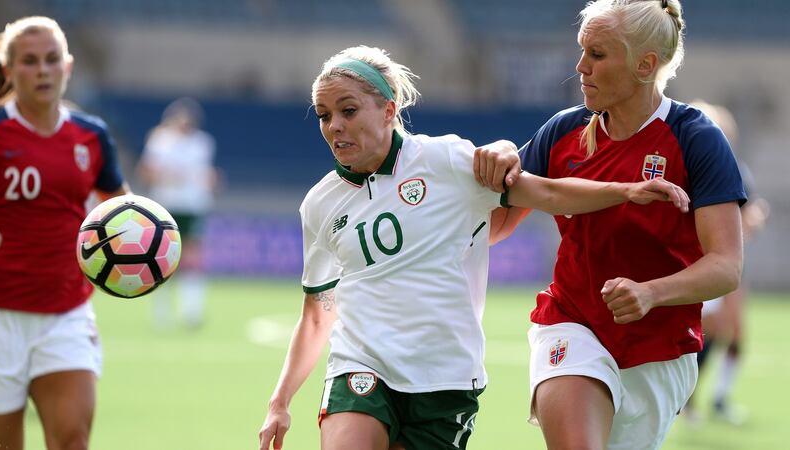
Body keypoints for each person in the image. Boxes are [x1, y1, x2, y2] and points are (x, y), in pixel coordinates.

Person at [257, 45, 690, 450]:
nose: (334, 126)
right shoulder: (319, 203)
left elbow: (551, 194)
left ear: (389, 111)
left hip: (444, 376)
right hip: (360, 364)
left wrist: (626, 191)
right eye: (323, 115)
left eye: (347, 111)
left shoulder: (445, 161)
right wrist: (280, 401)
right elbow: (317, 314)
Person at [473, 1, 746, 449]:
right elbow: (496, 225)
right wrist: (500, 155)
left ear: (645, 64)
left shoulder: (695, 137)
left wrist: (649, 292)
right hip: (571, 323)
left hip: (660, 350)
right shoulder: (563, 130)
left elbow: (726, 266)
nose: (580, 67)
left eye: (597, 55)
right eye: (582, 51)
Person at [0, 16, 129, 450]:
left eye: (52, 60)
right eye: (30, 62)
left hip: (65, 313)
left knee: (72, 440)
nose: (43, 70)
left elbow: (120, 209)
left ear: (68, 67)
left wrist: (133, 248)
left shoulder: (92, 136)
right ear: (10, 71)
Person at [682, 100, 771, 425]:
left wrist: (754, 216)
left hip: (732, 257)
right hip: (705, 258)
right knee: (707, 329)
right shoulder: (693, 165)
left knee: (731, 330)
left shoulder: (733, 166)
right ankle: (686, 398)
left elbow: (745, 208)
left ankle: (716, 398)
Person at [137, 97, 218, 329]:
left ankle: (192, 311)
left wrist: (209, 180)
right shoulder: (160, 140)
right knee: (161, 260)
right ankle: (161, 314)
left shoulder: (202, 143)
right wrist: (168, 175)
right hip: (166, 206)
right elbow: (147, 170)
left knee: (192, 260)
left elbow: (204, 174)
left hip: (193, 206)